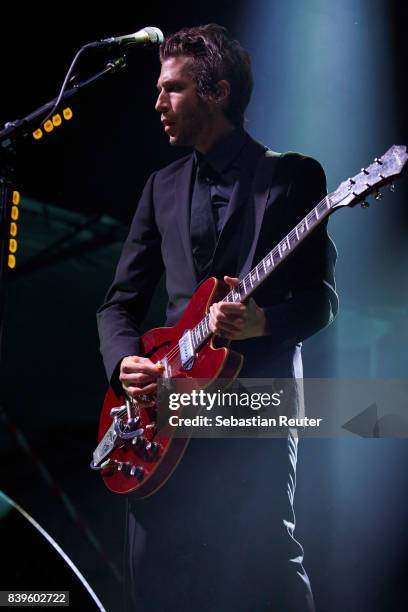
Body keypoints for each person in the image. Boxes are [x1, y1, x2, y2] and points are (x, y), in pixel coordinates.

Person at [97, 23, 338, 612]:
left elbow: (321, 301)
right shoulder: (160, 187)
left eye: (173, 89)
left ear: (218, 92)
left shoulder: (292, 176)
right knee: (156, 575)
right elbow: (118, 304)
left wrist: (262, 324)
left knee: (266, 570)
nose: (158, 104)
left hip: (255, 402)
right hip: (166, 403)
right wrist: (125, 362)